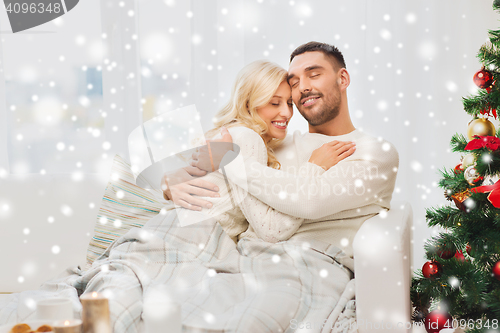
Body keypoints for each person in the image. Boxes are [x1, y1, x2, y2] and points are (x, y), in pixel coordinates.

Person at [165, 41, 400, 273]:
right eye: (294, 82)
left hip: (306, 265)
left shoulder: (372, 152)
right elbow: (188, 171)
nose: (302, 87)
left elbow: (310, 201)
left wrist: (233, 162)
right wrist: (170, 183)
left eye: (314, 75)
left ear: (343, 79)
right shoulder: (269, 141)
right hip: (235, 258)